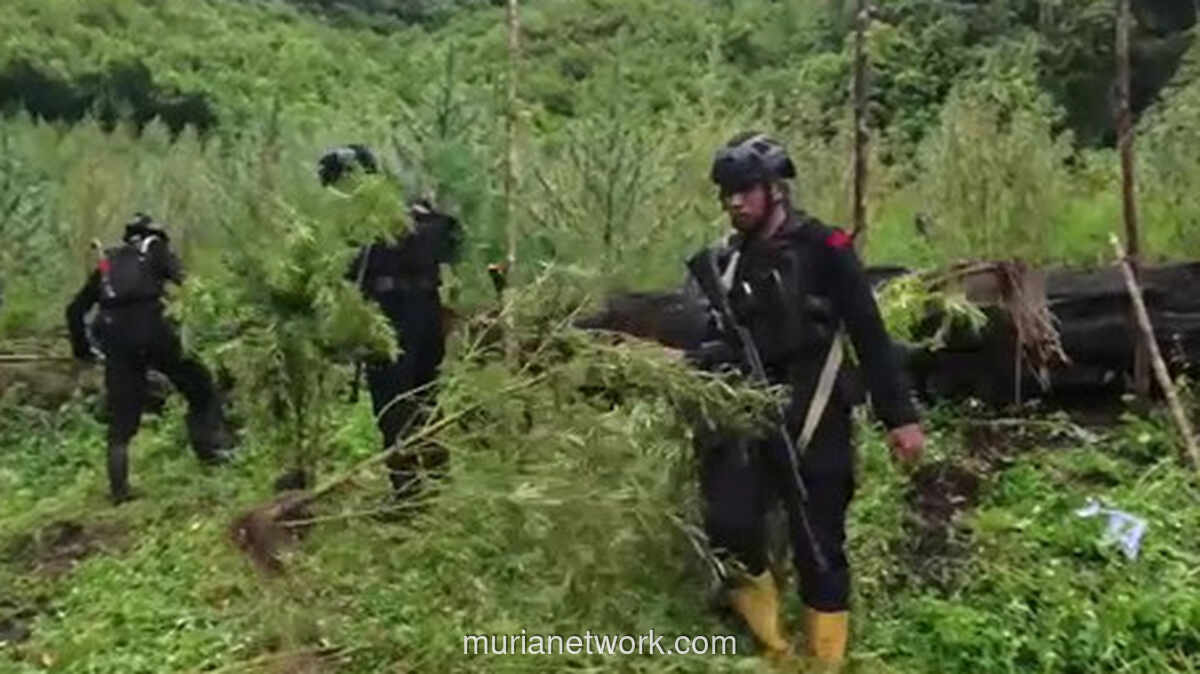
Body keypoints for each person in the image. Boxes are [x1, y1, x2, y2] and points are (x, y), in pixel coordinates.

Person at [684, 132, 925, 667]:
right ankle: (774, 649)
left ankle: (824, 660)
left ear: (775, 189)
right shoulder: (725, 261)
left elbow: (869, 332)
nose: (734, 203)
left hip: (818, 413)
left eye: (745, 191)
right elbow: (703, 339)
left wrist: (900, 418)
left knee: (820, 548)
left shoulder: (825, 248)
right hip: (747, 415)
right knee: (731, 526)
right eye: (727, 193)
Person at [317, 144, 462, 501]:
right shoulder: (410, 204)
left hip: (391, 315)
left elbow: (342, 271)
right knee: (425, 394)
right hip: (428, 310)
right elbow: (452, 242)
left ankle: (411, 494)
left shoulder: (363, 215)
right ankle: (437, 479)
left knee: (394, 401)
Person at [66, 213, 232, 504]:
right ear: (153, 234)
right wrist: (206, 322)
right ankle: (211, 454)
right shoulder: (155, 248)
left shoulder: (109, 262)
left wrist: (83, 350)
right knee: (199, 385)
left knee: (121, 421)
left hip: (115, 339)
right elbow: (191, 286)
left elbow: (75, 310)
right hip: (154, 330)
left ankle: (119, 492)